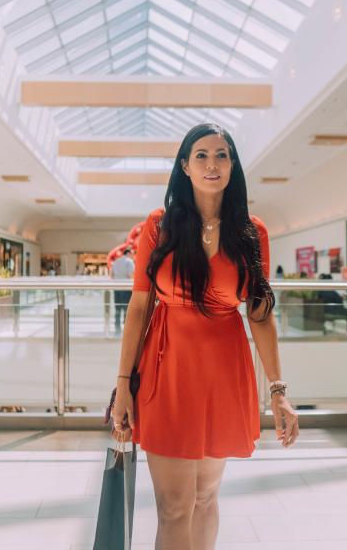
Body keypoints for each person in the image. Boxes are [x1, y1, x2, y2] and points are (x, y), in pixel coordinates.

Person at [110, 123, 299, 549]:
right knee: (174, 506)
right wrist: (123, 384)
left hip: (223, 370)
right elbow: (139, 308)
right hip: (166, 366)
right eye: (202, 155)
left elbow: (261, 315)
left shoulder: (252, 232)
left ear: (233, 166)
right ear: (185, 166)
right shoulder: (159, 226)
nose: (213, 164)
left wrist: (278, 389)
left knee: (205, 496)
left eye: (222, 155)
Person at [110, 248, 135, 334]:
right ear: (128, 253)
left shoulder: (116, 261)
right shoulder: (129, 261)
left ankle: (117, 328)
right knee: (126, 309)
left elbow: (111, 275)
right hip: (126, 288)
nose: (133, 256)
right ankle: (126, 329)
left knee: (117, 308)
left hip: (116, 288)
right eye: (132, 254)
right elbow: (130, 274)